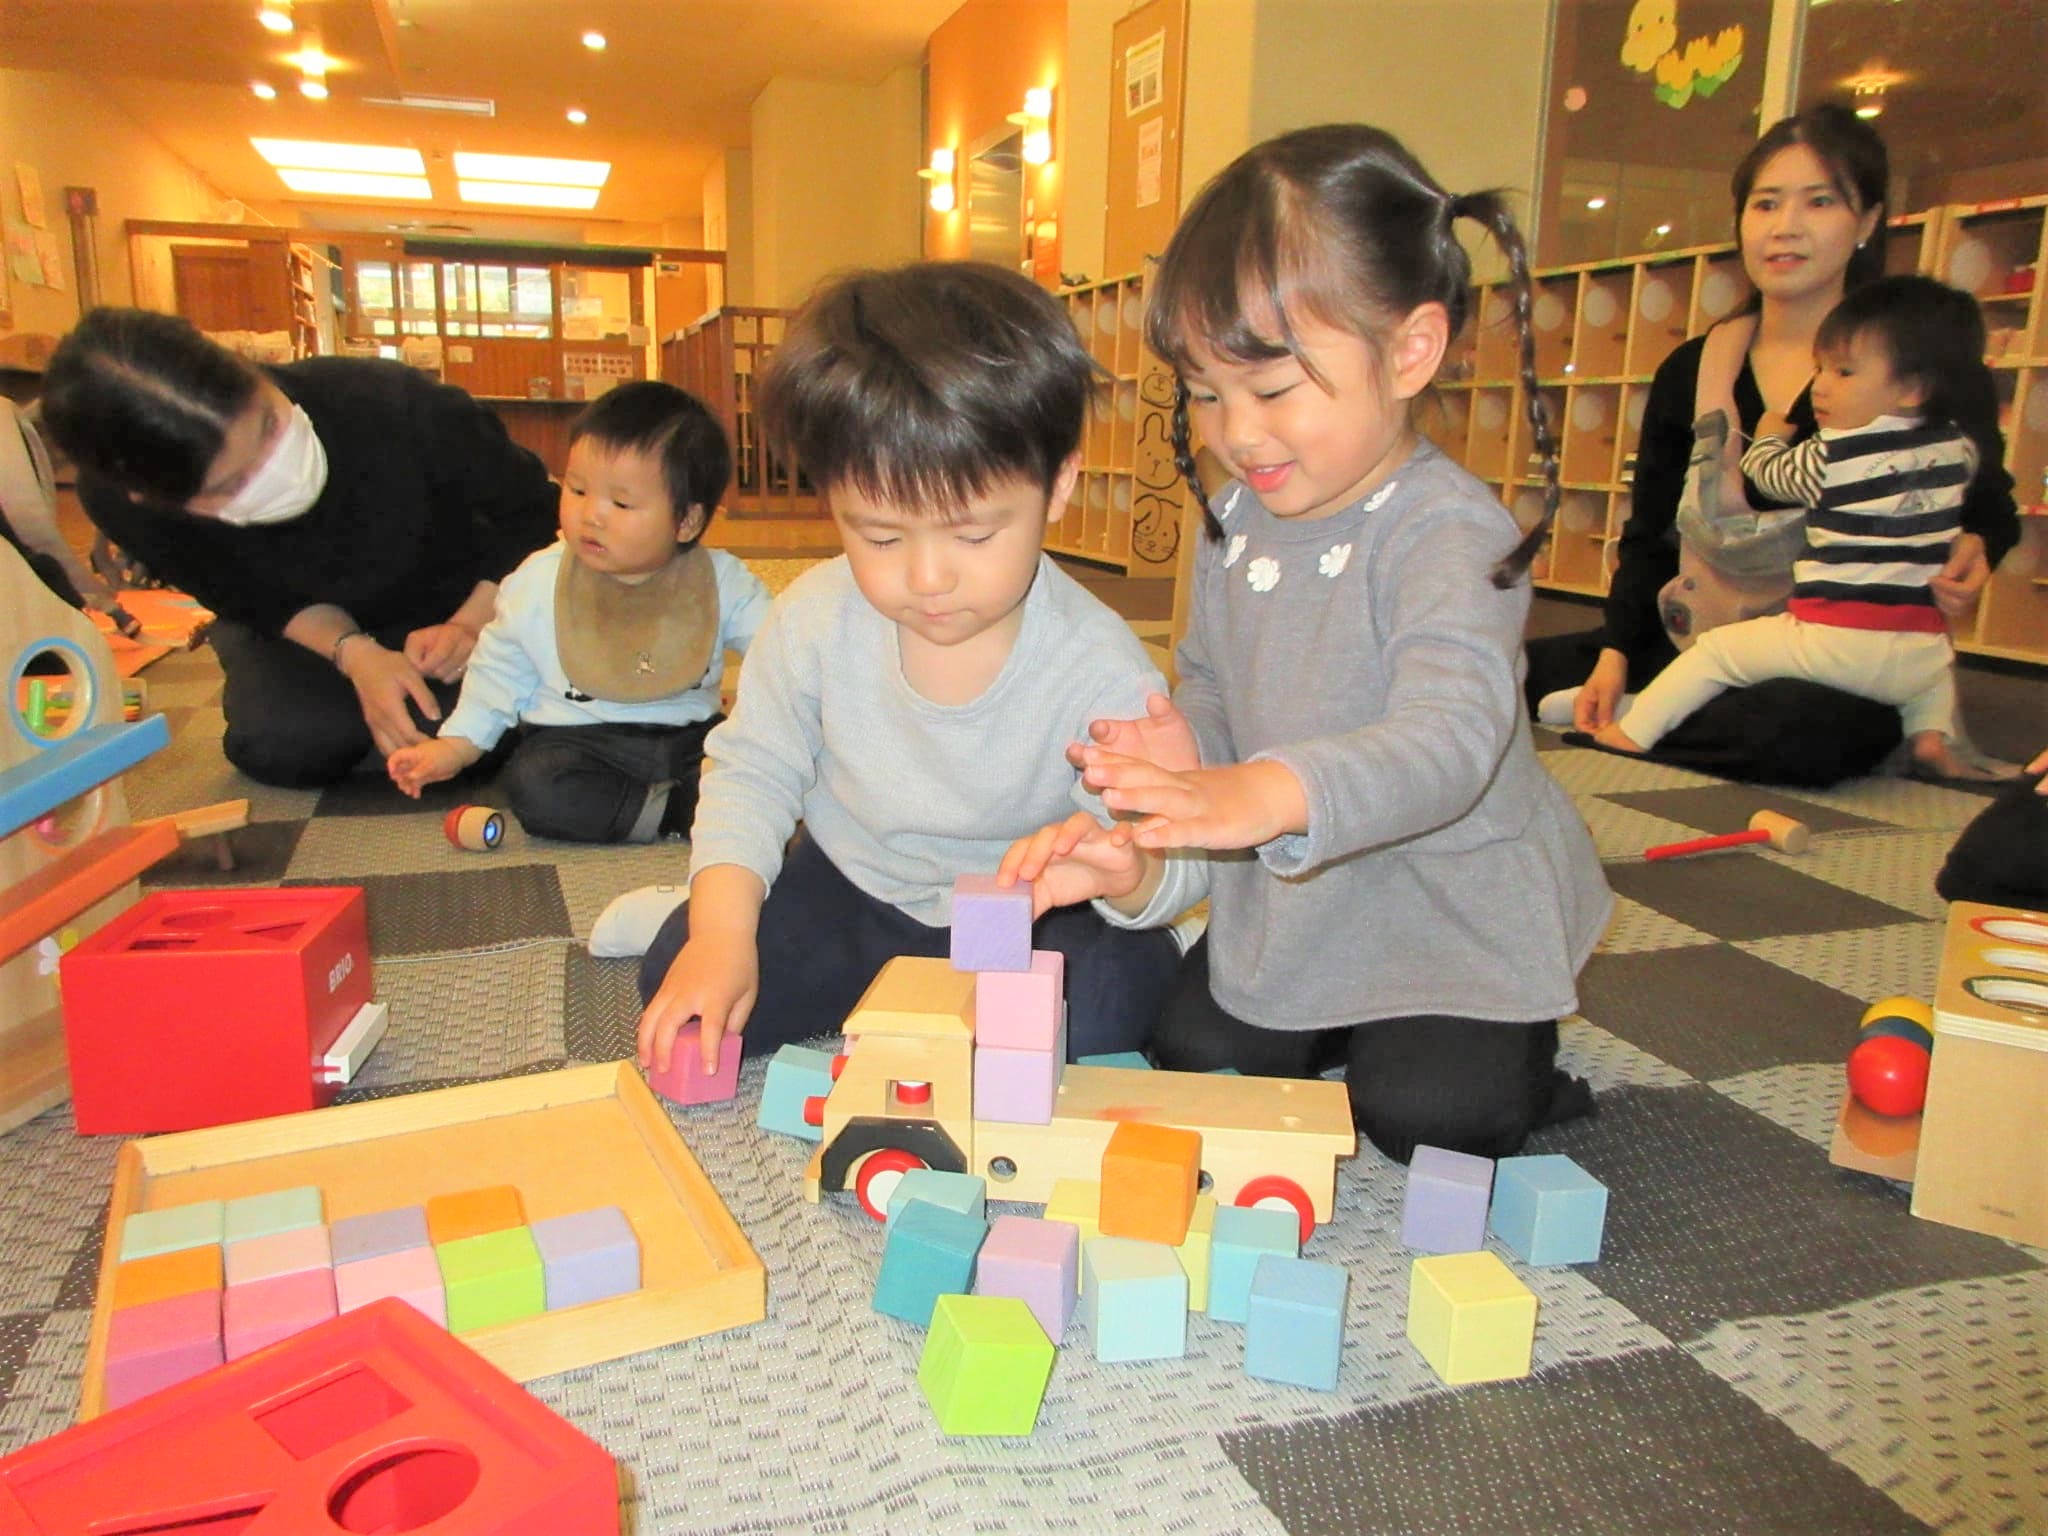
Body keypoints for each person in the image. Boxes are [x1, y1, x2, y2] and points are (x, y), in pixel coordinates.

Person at [1001, 124, 1612, 1166]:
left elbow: (1451, 739)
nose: (1237, 433)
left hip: (1446, 906)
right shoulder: (1233, 521)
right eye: (1206, 394)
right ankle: (1338, 1023)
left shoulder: (1447, 532)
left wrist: (1263, 791)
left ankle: (1510, 1055)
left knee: (1432, 1119)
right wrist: (1185, 752)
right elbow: (1211, 683)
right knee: (1197, 1058)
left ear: (1408, 352)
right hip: (1297, 904)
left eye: (1274, 389)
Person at [631, 261, 1183, 1077]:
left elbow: (1167, 849)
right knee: (681, 973)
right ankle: (739, 919)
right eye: (881, 537)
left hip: (1026, 908)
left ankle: (921, 1000)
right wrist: (721, 932)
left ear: (1058, 484)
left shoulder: (1100, 666)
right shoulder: (814, 618)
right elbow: (753, 772)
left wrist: (1133, 877)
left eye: (973, 535)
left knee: (1119, 1004)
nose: (927, 578)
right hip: (858, 887)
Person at [1524, 105, 2019, 787]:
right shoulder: (1695, 368)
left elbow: (1990, 506)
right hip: (1696, 625)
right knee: (1502, 670)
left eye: (1819, 202)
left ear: (1868, 221)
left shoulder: (1917, 367)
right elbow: (1649, 534)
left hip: (1840, 657)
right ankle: (1645, 702)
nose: (1786, 226)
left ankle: (1647, 715)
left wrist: (1976, 548)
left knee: (1801, 732)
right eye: (1765, 204)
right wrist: (1614, 653)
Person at [38, 308, 559, 787]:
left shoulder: (393, 402)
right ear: (151, 498)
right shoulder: (123, 504)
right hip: (296, 621)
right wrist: (354, 653)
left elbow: (530, 512)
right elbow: (244, 594)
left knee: (471, 738)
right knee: (284, 745)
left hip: (456, 601)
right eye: (231, 484)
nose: (275, 468)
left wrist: (469, 625)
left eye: (268, 424)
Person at [1594, 276, 2005, 783]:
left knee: (1718, 653)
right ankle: (1929, 738)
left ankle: (1632, 733)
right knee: (1930, 675)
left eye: (1844, 372)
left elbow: (1767, 476)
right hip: (1919, 644)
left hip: (1835, 637)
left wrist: (1769, 437)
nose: (1821, 387)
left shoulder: (1834, 452)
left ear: (1915, 388)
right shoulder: (1958, 451)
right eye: (1820, 369)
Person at [386, 382, 770, 842]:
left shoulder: (720, 581)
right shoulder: (539, 580)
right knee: (534, 784)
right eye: (578, 489)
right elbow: (499, 670)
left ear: (686, 520)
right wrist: (457, 744)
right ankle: (676, 813)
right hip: (579, 743)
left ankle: (674, 806)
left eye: (621, 503)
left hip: (690, 738)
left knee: (748, 762)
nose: (592, 515)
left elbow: (778, 645)